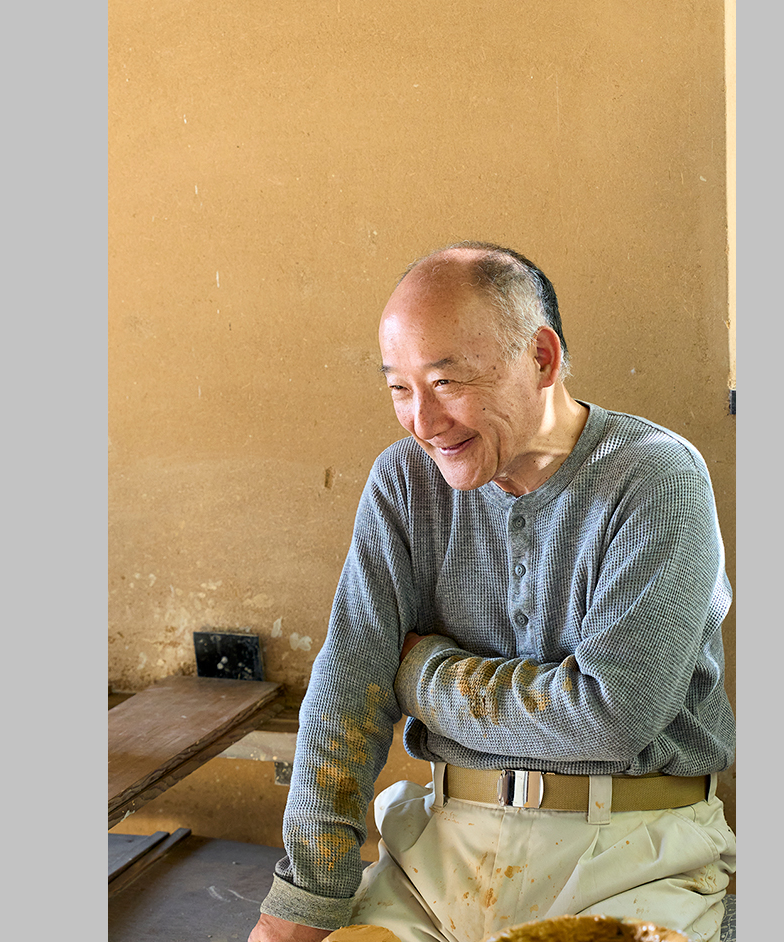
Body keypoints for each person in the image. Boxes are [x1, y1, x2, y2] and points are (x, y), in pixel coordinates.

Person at [249, 242, 736, 942]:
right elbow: (349, 687)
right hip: (439, 852)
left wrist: (420, 674)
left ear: (541, 357)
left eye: (446, 382)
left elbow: (612, 715)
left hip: (630, 857)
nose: (423, 421)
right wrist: (303, 900)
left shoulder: (656, 478)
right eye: (399, 388)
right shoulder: (403, 482)